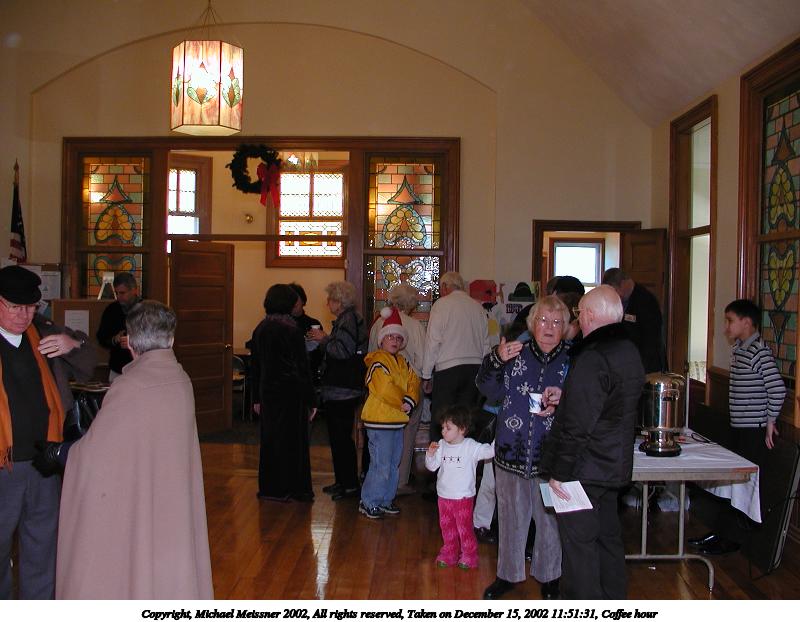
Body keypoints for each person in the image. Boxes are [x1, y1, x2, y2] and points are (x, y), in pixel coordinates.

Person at [541, 285, 645, 600]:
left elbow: (578, 425)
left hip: (584, 469)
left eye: (579, 313)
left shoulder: (594, 355)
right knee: (608, 541)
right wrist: (568, 395)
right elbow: (610, 404)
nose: (579, 320)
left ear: (588, 315)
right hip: (612, 466)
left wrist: (560, 471)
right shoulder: (629, 350)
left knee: (580, 548)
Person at [0, 265, 95, 599]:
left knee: (42, 548)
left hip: (43, 461)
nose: (24, 315)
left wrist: (73, 344)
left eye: (31, 307)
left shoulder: (42, 331)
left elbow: (90, 359)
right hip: (4, 465)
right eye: (15, 307)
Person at [478, 296, 570, 600]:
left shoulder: (572, 360)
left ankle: (550, 577)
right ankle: (507, 575)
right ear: (532, 323)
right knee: (510, 518)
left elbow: (585, 405)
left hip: (551, 457)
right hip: (511, 451)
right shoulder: (514, 353)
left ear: (565, 327)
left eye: (556, 322)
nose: (549, 327)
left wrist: (562, 401)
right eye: (543, 320)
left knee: (550, 521)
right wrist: (496, 358)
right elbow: (486, 389)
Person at [688, 299, 786, 555]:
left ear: (747, 322)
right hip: (738, 426)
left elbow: (777, 389)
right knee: (731, 483)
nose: (726, 327)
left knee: (744, 485)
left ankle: (733, 538)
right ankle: (722, 532)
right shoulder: (740, 349)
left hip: (753, 429)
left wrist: (770, 421)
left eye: (730, 321)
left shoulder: (759, 352)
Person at [251, 284, 317, 502]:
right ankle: (295, 488)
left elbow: (256, 368)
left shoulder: (261, 329)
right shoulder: (291, 330)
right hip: (291, 395)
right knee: (294, 443)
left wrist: (256, 398)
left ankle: (271, 488)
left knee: (271, 441)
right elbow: (301, 368)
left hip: (269, 394)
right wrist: (311, 400)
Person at [307, 281, 368, 501]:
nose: (327, 303)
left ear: (339, 301)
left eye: (330, 299)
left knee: (341, 438)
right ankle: (342, 481)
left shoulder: (348, 320)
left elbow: (342, 351)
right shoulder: (349, 318)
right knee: (338, 438)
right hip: (343, 388)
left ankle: (349, 485)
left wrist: (324, 339)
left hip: (343, 388)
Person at [359, 307, 421, 519]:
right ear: (381, 340)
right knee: (381, 464)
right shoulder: (377, 361)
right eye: (390, 337)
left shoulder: (403, 362)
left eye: (398, 338)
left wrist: (410, 400)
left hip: (396, 421)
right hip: (379, 421)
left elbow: (414, 382)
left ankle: (385, 499)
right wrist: (403, 401)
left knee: (393, 464)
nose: (394, 341)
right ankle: (369, 501)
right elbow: (384, 388)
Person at [368, 284, 426, 495]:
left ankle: (379, 483)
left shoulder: (378, 324)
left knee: (382, 438)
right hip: (409, 387)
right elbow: (422, 358)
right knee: (407, 433)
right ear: (411, 304)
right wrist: (423, 381)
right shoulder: (415, 325)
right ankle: (400, 481)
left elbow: (371, 353)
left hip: (383, 387)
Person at [421, 271, 489, 441]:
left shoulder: (441, 305)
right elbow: (486, 344)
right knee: (466, 420)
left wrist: (426, 375)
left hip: (447, 370)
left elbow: (433, 342)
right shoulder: (478, 307)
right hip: (474, 370)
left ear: (445, 286)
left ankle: (438, 456)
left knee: (442, 419)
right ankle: (466, 456)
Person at [425, 405, 494, 569]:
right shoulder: (441, 445)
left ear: (462, 429)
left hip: (463, 497)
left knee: (464, 528)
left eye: (448, 428)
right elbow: (432, 467)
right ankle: (449, 552)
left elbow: (490, 452)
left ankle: (469, 555)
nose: (443, 431)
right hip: (444, 496)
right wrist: (430, 455)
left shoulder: (471, 446)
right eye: (442, 427)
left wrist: (500, 438)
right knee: (447, 527)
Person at [602, 268, 665, 373]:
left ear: (623, 283)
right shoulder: (620, 300)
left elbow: (650, 340)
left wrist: (640, 369)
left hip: (645, 364)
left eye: (615, 291)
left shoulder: (646, 301)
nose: (614, 295)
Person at [95, 272, 141, 381]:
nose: (119, 297)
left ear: (134, 290)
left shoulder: (145, 310)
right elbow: (101, 338)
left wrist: (133, 341)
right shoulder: (112, 310)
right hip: (117, 369)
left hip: (141, 368)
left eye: (122, 293)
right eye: (117, 293)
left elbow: (154, 339)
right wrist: (114, 339)